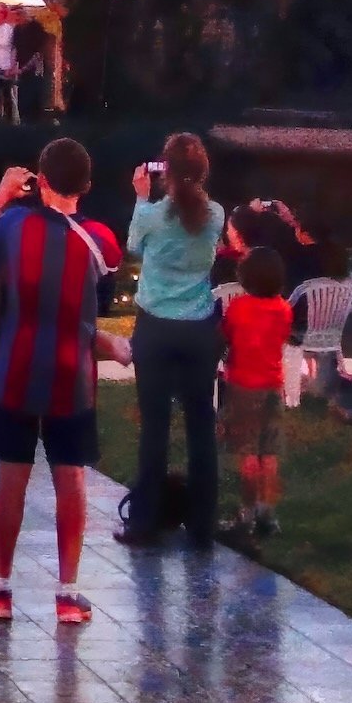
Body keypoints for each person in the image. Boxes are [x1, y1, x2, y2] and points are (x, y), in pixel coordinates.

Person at [0, 140, 121, 627]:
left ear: (41, 181)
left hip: (15, 371)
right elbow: (99, 305)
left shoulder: (13, 226)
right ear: (87, 187)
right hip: (73, 377)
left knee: (13, 478)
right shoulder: (102, 243)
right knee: (70, 477)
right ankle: (68, 594)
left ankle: (1, 589)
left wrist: (4, 193)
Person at [117, 133, 227, 549]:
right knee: (201, 425)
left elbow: (132, 248)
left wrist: (141, 197)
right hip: (198, 327)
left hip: (157, 326)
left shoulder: (152, 215)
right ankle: (202, 526)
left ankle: (144, 523)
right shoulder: (215, 214)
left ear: (166, 171)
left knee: (155, 428)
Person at [220, 245, 294, 542]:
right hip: (273, 386)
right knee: (269, 453)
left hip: (243, 388)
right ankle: (267, 514)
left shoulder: (239, 307)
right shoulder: (284, 309)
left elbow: (226, 336)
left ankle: (246, 515)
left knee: (248, 454)